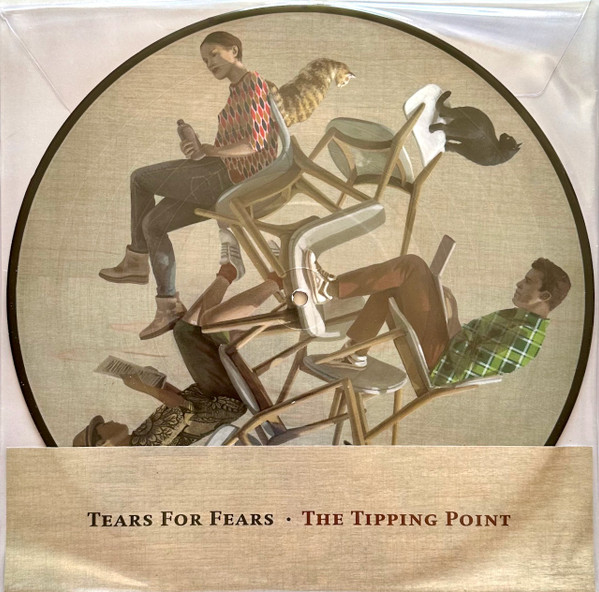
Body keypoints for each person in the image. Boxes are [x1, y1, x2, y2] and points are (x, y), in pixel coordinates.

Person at [98, 31, 278, 340]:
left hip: (231, 180)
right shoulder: (236, 91)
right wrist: (199, 150)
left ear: (234, 50)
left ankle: (136, 260)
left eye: (214, 54)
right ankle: (168, 306)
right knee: (153, 224)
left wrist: (211, 151)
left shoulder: (255, 84)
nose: (209, 63)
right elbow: (230, 145)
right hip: (219, 173)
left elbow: (255, 143)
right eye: (205, 60)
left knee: (140, 178)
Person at [74, 263, 282, 446]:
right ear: (104, 444)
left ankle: (227, 273)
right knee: (210, 325)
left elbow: (181, 405)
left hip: (211, 392)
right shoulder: (145, 446)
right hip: (225, 400)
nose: (109, 421)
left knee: (184, 331)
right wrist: (144, 388)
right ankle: (275, 283)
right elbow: (185, 409)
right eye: (103, 427)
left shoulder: (139, 437)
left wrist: (158, 383)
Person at [304, 252, 570, 385]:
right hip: (443, 352)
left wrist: (451, 317)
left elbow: (464, 365)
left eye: (528, 282)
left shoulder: (526, 338)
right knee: (393, 285)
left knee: (411, 266)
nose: (519, 284)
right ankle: (354, 354)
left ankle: (328, 289)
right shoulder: (520, 319)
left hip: (440, 367)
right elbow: (467, 343)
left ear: (544, 296)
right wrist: (445, 311)